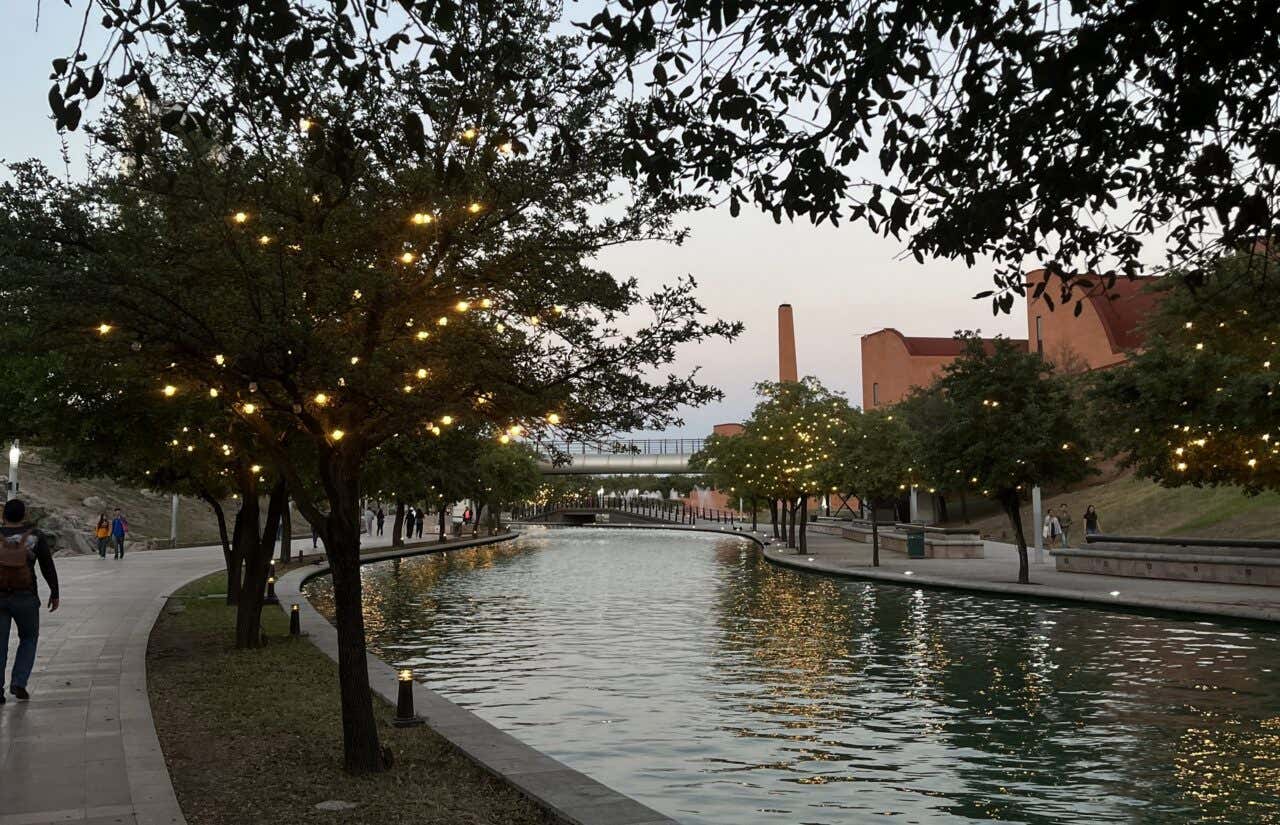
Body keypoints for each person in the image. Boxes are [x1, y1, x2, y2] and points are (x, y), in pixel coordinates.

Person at [1, 499, 59, 704]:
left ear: (3, 516)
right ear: (24, 515)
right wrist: (55, 592)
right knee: (28, 638)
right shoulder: (35, 536)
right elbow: (46, 564)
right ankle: (19, 682)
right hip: (26, 595)